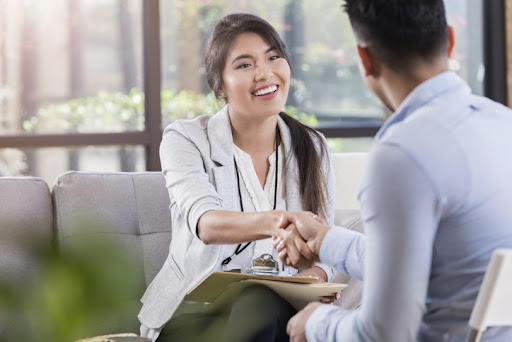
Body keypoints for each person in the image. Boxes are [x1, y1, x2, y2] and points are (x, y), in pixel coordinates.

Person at [274, 0, 512, 341]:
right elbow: (415, 266)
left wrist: (315, 323)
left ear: (365, 59)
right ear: (449, 38)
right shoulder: (504, 123)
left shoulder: (402, 154)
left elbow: (384, 334)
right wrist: (326, 240)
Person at [137, 13, 340, 342]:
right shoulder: (185, 140)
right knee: (258, 301)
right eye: (245, 65)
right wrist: (279, 221)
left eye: (274, 57)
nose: (265, 73)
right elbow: (207, 223)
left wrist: (317, 278)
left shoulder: (312, 147)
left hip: (281, 312)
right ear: (220, 85)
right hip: (196, 316)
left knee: (273, 307)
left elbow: (325, 246)